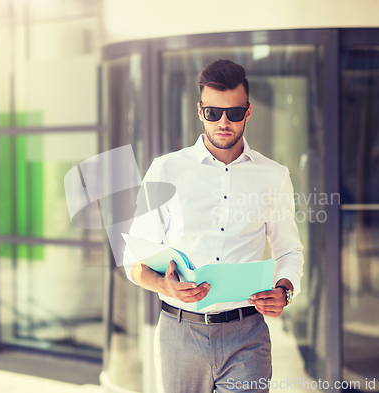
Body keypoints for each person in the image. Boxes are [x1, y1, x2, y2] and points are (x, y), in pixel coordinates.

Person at [123, 59, 304, 393]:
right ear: (200, 110)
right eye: (213, 113)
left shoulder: (274, 177)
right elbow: (134, 262)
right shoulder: (166, 170)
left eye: (234, 113)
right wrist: (164, 286)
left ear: (248, 112)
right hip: (179, 333)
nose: (224, 123)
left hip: (246, 335)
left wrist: (284, 291)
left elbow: (289, 249)